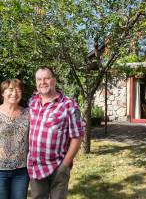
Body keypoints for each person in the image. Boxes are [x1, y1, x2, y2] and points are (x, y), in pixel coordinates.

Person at [27, 66, 84, 199]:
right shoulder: (32, 102)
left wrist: (65, 165)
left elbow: (78, 136)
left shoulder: (69, 105)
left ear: (54, 80)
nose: (42, 82)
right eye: (39, 79)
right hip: (36, 167)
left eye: (46, 78)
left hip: (58, 166)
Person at [0, 79, 29, 199]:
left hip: (21, 171)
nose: (14, 93)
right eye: (10, 90)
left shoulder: (28, 114)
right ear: (2, 93)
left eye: (18, 90)